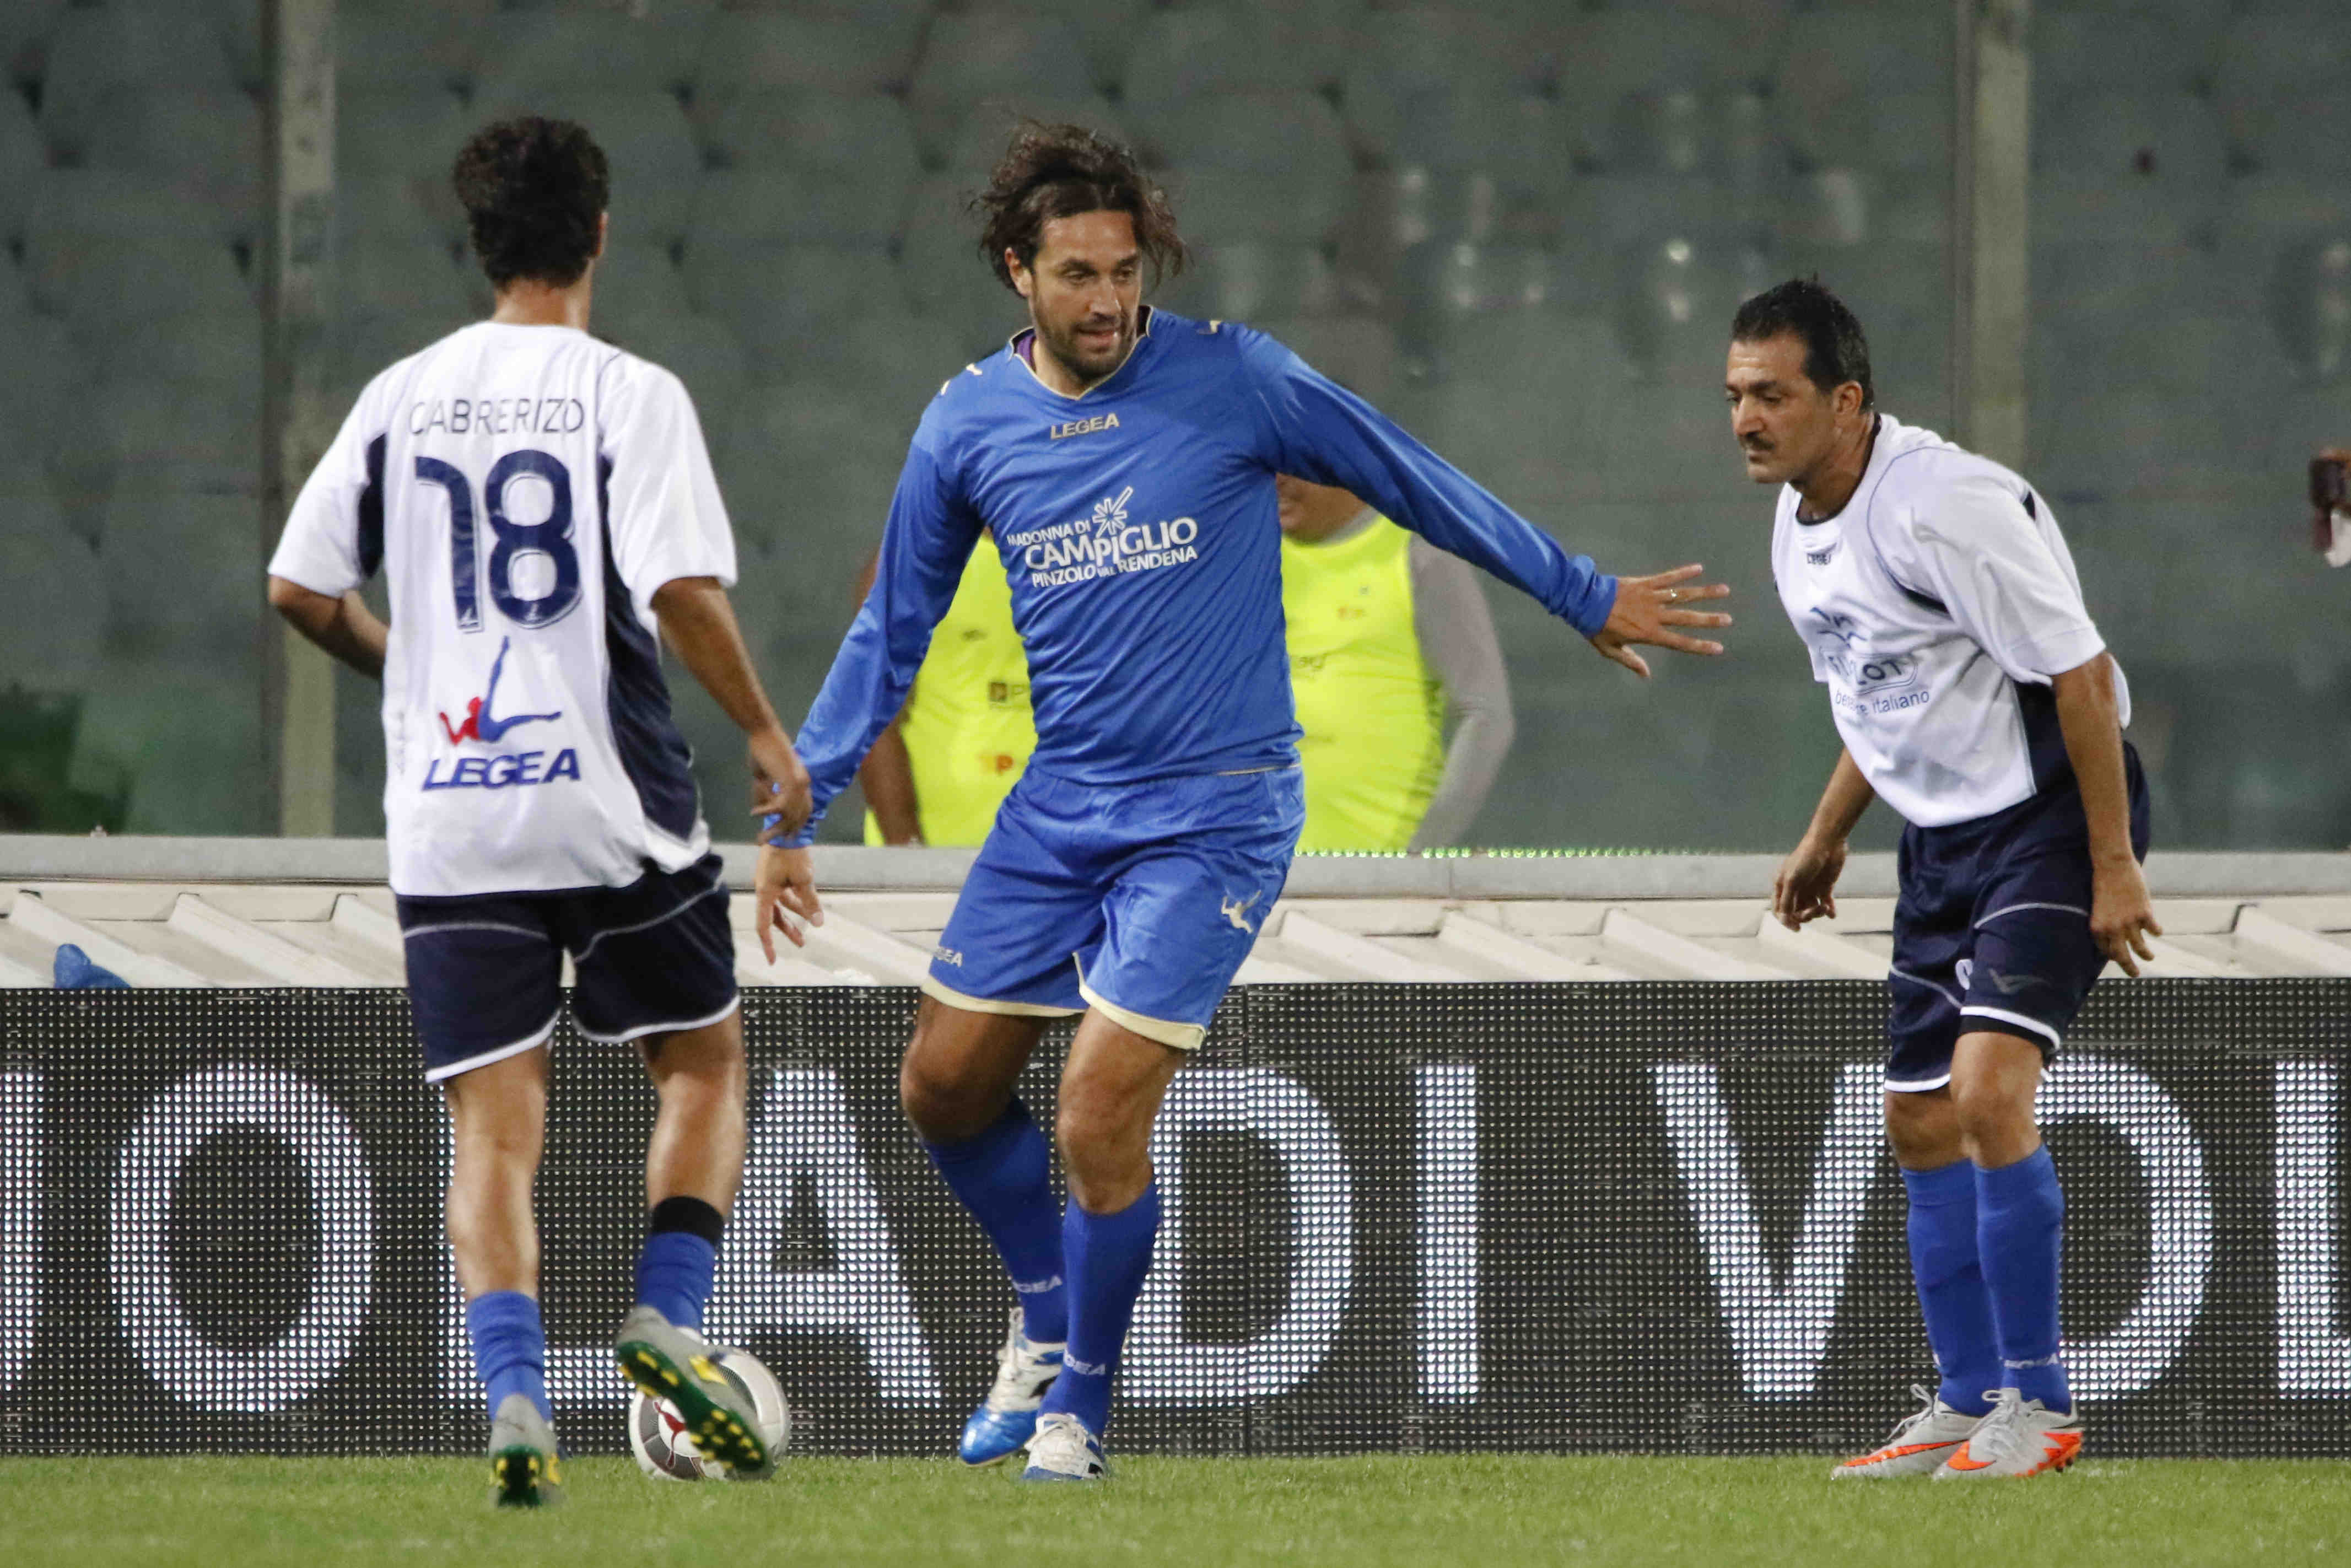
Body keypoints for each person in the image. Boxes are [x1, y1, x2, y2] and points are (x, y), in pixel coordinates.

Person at [750, 122, 1732, 1483]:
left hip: (1215, 809)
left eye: (1125, 268)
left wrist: (1579, 590)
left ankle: (1077, 1411)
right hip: (1062, 811)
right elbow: (891, 628)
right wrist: (799, 807)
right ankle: (1043, 1319)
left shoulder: (1237, 377)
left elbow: (1412, 476)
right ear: (1014, 274)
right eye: (1077, 273)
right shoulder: (966, 422)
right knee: (941, 1088)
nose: (1107, 299)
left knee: (1095, 1110)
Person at [265, 117, 815, 1507]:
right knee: (701, 1060)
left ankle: (515, 1396)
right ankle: (664, 1316)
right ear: (601, 233)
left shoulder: (400, 393)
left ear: (480, 239)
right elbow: (684, 589)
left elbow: (295, 584)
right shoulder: (627, 392)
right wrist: (760, 730)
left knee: (492, 1128)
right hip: (604, 799)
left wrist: (414, 668)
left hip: (450, 812)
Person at [1728, 278, 2156, 1481]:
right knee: (1916, 1119)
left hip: (2055, 817)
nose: (1745, 418)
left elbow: (2079, 672)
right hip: (1943, 836)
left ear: (1846, 400)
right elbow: (1880, 694)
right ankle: (1967, 1405)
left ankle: (2046, 1410)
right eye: (1734, 395)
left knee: (1983, 1092)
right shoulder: (1798, 523)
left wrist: (2113, 863)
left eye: (1773, 394)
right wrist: (1826, 836)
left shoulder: (1946, 506)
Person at [1277, 473, 1514, 850]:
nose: (1276, 480)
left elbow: (1487, 714)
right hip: (1261, 881)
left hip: (1383, 882)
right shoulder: (1247, 557)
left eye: (1291, 465)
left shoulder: (1418, 553)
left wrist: (1419, 856)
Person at [851, 537, 1036, 845]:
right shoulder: (908, 565)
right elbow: (874, 724)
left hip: (1064, 857)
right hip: (938, 858)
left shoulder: (1091, 563)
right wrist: (908, 857)